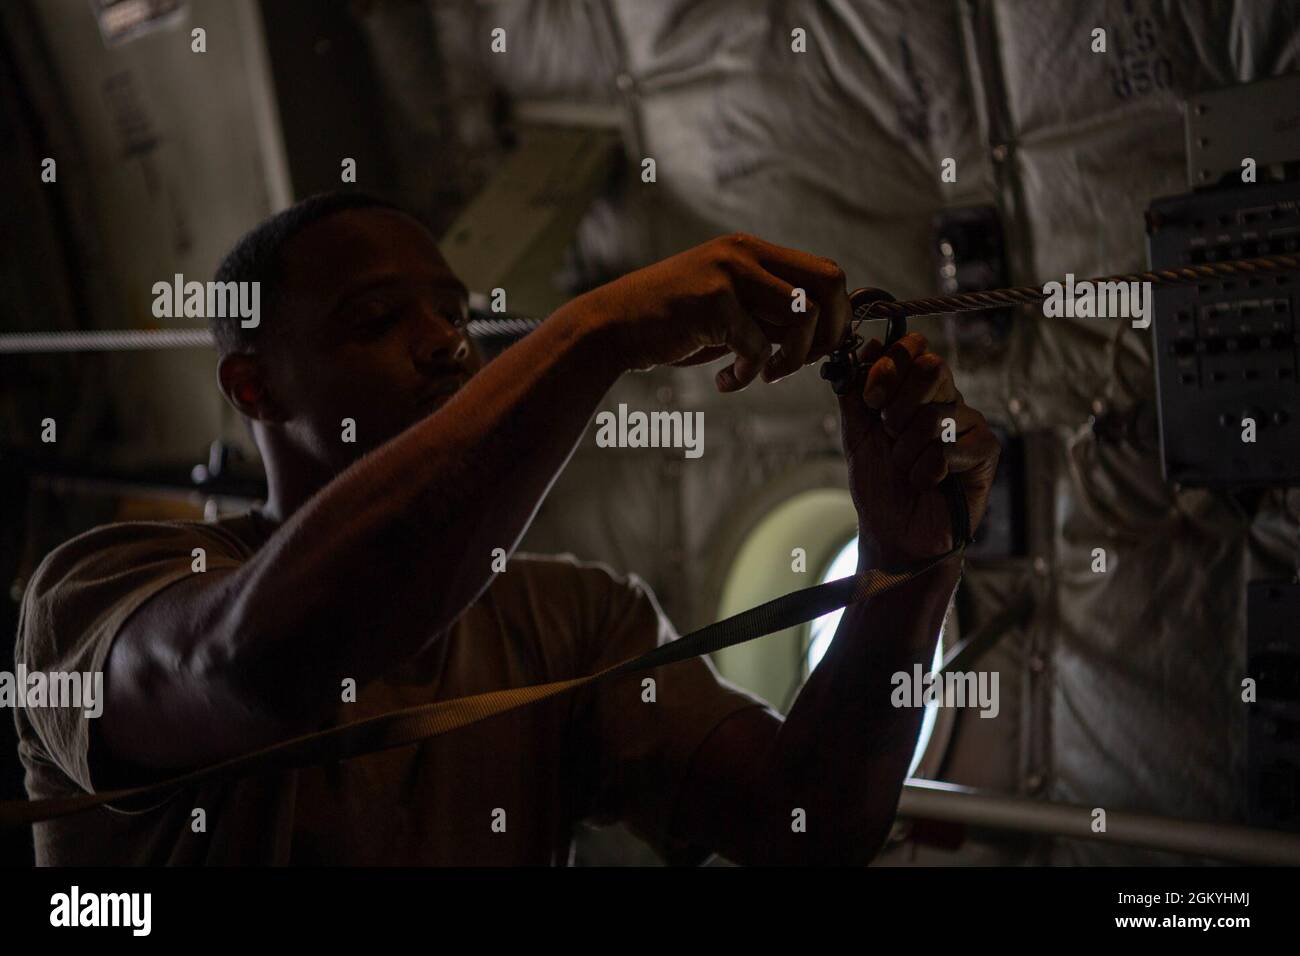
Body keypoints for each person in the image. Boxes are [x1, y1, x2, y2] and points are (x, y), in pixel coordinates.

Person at [15, 191, 999, 865]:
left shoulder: (577, 616)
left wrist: (905, 561)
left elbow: (809, 821)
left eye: (455, 311)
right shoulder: (99, 588)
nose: (446, 341)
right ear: (255, 383)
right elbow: (250, 666)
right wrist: (596, 331)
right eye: (374, 318)